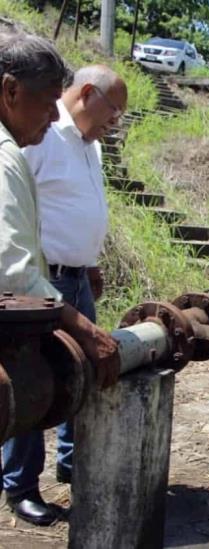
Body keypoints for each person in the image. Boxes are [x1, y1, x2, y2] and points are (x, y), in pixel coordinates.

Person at [0, 30, 120, 526]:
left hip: (65, 282)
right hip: (38, 293)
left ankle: (68, 466)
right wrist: (82, 326)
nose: (53, 116)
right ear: (10, 91)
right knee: (31, 380)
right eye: (47, 101)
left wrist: (87, 263)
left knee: (71, 379)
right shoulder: (18, 151)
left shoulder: (79, 146)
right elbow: (13, 262)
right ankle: (20, 483)